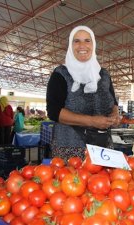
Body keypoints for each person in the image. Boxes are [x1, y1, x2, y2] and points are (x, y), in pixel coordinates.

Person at [46, 25, 120, 161]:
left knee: (102, 181)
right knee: (73, 182)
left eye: (87, 40)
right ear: (70, 45)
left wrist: (115, 114)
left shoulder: (104, 75)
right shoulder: (61, 74)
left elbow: (113, 102)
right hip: (69, 149)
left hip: (103, 147)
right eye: (76, 41)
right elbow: (54, 112)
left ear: (93, 44)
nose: (82, 45)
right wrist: (92, 121)